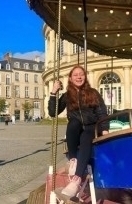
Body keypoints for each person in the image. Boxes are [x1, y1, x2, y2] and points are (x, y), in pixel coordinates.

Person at [48, 65, 109, 198]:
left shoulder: (93, 93)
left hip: (92, 127)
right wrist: (53, 92)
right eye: (75, 75)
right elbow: (53, 112)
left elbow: (102, 112)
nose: (79, 77)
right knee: (73, 123)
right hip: (76, 129)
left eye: (81, 74)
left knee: (87, 137)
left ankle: (76, 180)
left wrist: (104, 129)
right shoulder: (67, 96)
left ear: (85, 77)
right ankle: (74, 160)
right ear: (70, 78)